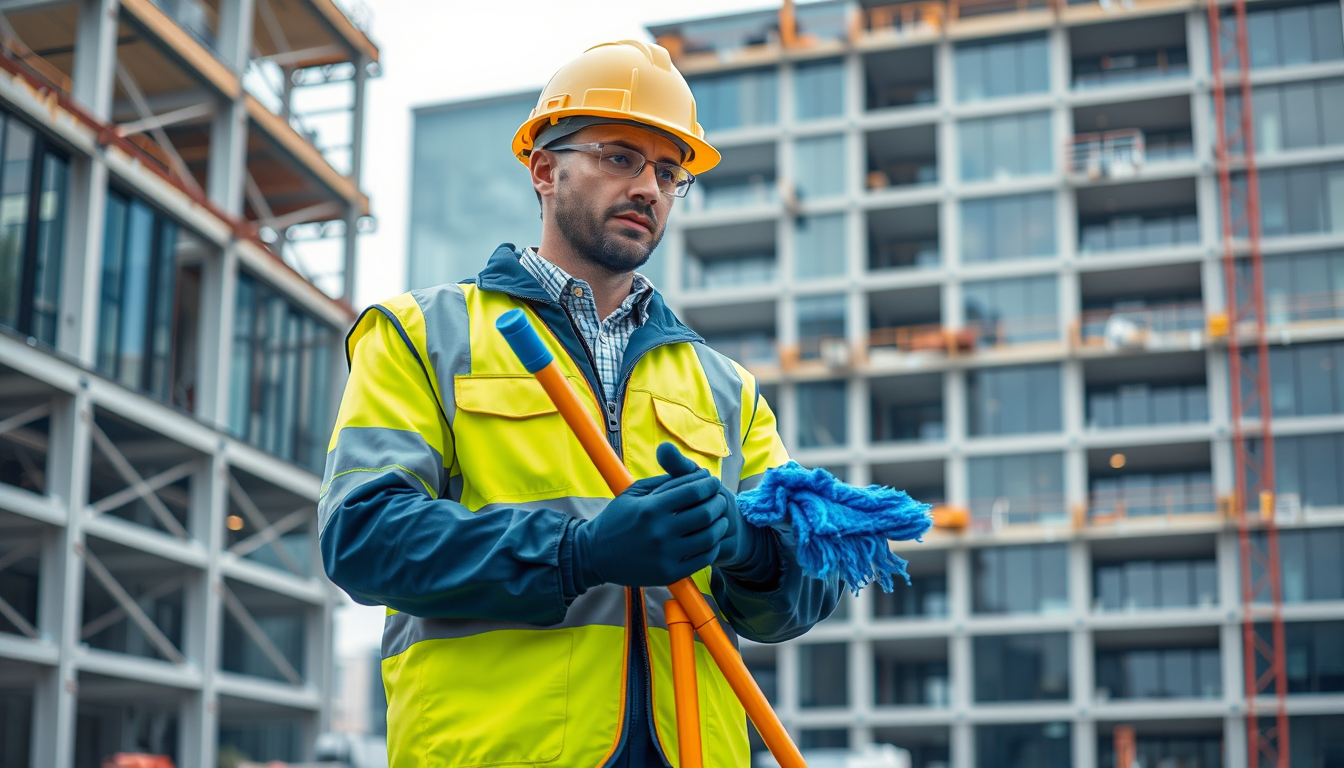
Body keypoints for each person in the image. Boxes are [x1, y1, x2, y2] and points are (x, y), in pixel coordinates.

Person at [319, 40, 842, 768]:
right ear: (543, 169)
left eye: (667, 172)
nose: (649, 189)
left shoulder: (726, 387)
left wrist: (748, 549)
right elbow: (363, 537)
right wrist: (578, 553)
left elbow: (805, 593)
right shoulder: (420, 334)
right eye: (621, 157)